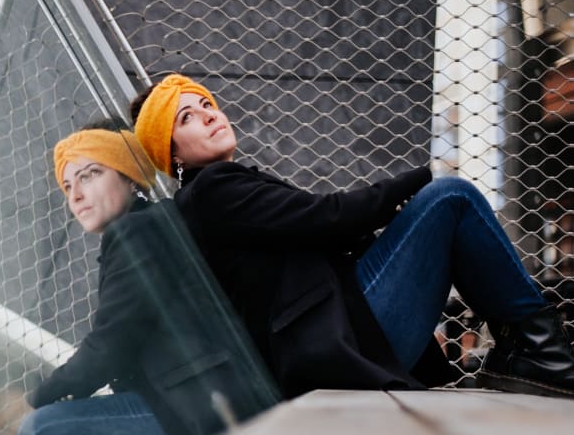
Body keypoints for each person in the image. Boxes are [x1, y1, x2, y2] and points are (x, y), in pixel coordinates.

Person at [132, 73, 574, 399]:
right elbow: (329, 216)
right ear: (170, 151)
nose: (209, 115)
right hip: (342, 346)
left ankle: (529, 349)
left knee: (446, 204)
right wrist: (419, 178)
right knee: (450, 197)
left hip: (343, 332)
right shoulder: (211, 191)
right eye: (187, 117)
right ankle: (540, 352)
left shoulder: (215, 193)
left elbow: (322, 228)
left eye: (206, 104)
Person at [0, 120, 180, 435]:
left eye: (90, 175)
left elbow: (109, 346)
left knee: (40, 432)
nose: (75, 194)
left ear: (130, 178)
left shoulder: (138, 232)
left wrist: (34, 401)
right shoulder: (140, 230)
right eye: (67, 185)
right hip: (177, 404)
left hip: (192, 412)